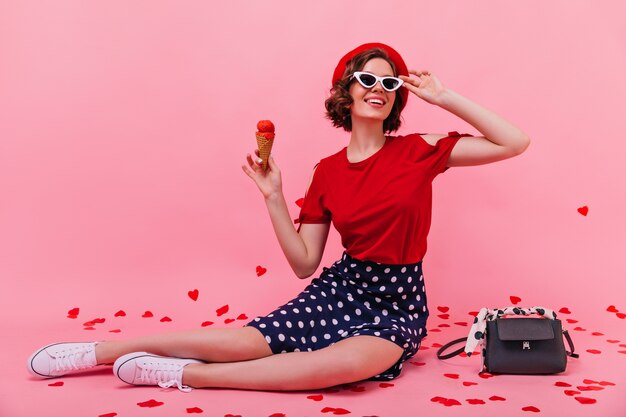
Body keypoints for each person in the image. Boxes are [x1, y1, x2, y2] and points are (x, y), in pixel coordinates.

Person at [27, 42, 530, 392]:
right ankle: (102, 351)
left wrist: (443, 97)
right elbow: (304, 264)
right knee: (251, 341)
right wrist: (274, 196)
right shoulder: (328, 173)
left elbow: (514, 141)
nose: (379, 88)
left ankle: (180, 374)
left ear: (398, 96)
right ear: (346, 92)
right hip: (343, 288)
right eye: (368, 79)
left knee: (343, 367)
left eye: (390, 82)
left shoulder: (419, 150)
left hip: (397, 301)